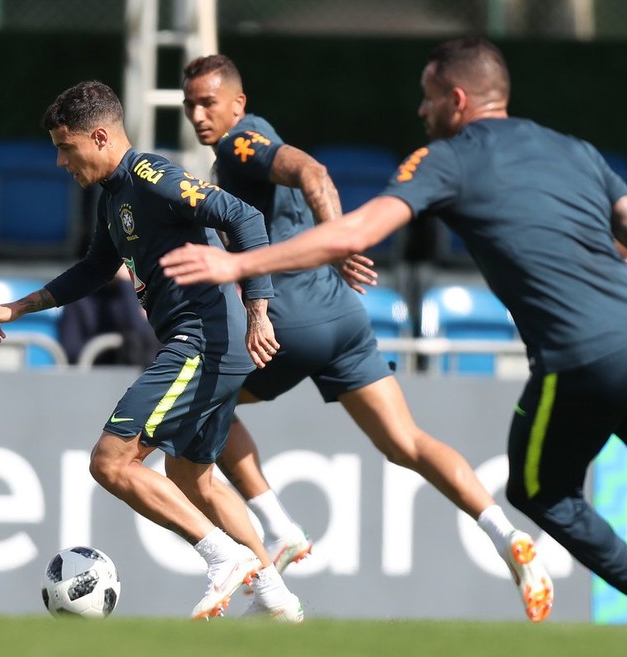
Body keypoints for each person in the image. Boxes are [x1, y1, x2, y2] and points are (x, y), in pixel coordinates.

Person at [161, 37, 627, 622]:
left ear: (456, 100)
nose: (421, 112)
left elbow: (356, 226)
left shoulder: (446, 158)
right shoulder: (575, 150)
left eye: (427, 100)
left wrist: (236, 269)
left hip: (580, 352)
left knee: (536, 487)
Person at [180, 54, 553, 622]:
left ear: (239, 104)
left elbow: (313, 173)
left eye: (209, 102)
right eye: (190, 105)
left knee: (199, 405)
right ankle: (506, 537)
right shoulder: (250, 144)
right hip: (342, 315)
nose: (198, 115)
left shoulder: (240, 144)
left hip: (288, 315)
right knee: (406, 442)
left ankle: (277, 530)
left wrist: (340, 238)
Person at [0, 80, 302, 622]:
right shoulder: (114, 197)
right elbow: (96, 269)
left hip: (200, 341)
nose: (59, 161)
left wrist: (259, 309)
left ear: (100, 137)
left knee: (111, 461)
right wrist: (19, 307)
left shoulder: (152, 176)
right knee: (193, 478)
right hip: (208, 346)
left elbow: (245, 217)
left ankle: (222, 559)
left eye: (66, 146)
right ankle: (275, 597)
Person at [58, 265, 161, 367]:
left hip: (139, 373)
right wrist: (109, 346)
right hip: (97, 376)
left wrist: (127, 284)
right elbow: (70, 351)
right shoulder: (81, 297)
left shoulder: (148, 291)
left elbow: (146, 342)